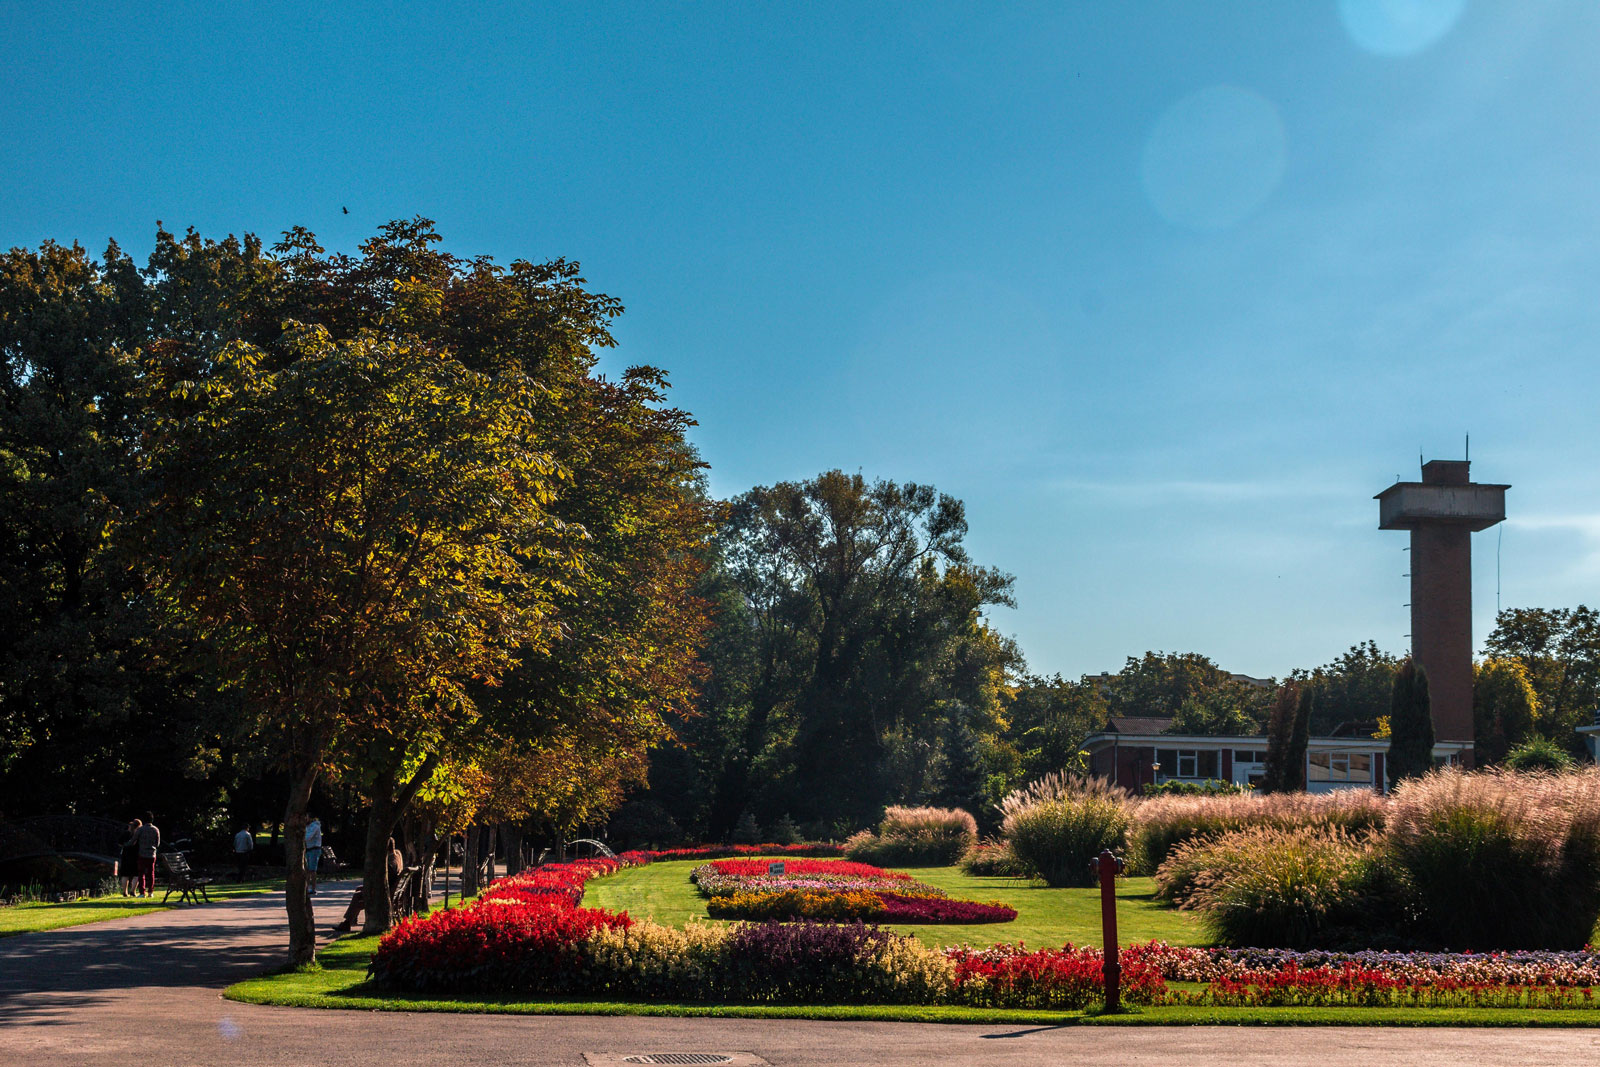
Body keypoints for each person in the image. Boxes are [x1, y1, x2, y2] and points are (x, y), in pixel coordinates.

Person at [332, 837, 405, 934]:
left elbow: (382, 879)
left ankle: (347, 922)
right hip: (388, 891)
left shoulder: (390, 862)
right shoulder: (397, 856)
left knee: (357, 896)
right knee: (359, 889)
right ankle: (351, 920)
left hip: (383, 894)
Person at [134, 812, 160, 897]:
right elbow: (158, 843)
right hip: (152, 854)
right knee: (151, 873)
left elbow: (134, 839)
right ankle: (150, 892)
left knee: (141, 874)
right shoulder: (156, 829)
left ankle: (142, 892)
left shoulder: (140, 829)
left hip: (142, 854)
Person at [119, 820, 141, 895]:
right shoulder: (138, 834)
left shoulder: (125, 834)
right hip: (136, 855)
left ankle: (124, 891)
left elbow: (119, 843)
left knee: (125, 874)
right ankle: (133, 891)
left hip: (126, 855)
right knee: (136, 874)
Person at [304, 814, 323, 894]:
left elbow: (308, 837)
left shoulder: (315, 826)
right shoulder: (307, 826)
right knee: (307, 870)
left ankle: (313, 889)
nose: (305, 819)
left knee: (312, 870)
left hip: (314, 849)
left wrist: (300, 836)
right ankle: (306, 888)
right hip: (308, 849)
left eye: (306, 817)